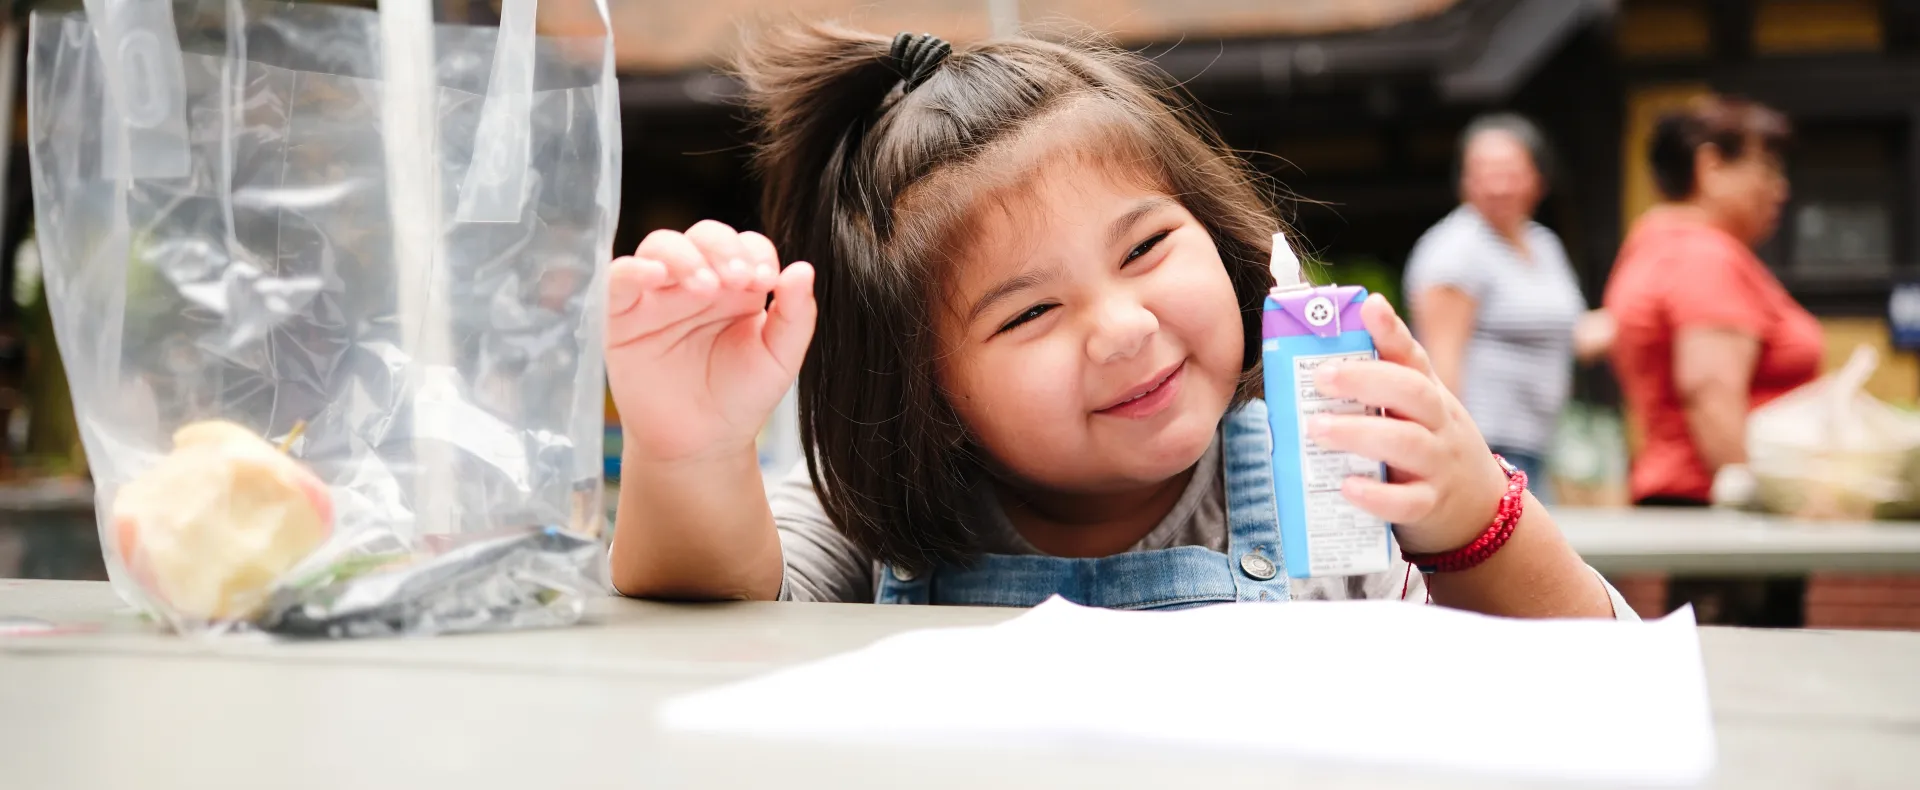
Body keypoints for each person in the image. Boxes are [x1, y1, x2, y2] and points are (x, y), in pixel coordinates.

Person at [603, 23, 1631, 620]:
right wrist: (688, 451)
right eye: (1032, 311)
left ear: (1224, 237)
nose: (1124, 327)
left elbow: (1607, 676)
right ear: (922, 386)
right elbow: (720, 616)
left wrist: (1474, 525)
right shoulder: (878, 517)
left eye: (1146, 249)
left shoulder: (1339, 467)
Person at [1604, 96, 1821, 625]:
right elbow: (1709, 392)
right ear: (1710, 166)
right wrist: (1753, 509)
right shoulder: (1704, 256)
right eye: (1766, 167)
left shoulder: (1653, 244)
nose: (1780, 188)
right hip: (1729, 517)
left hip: (1695, 505)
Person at [1404, 114, 1600, 503]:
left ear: (1538, 178)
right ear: (1464, 182)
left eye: (1509, 171)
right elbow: (1442, 362)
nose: (1496, 185)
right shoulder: (1455, 250)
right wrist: (1455, 455)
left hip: (1541, 442)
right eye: (1483, 172)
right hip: (1487, 446)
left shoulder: (1542, 243)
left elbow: (1571, 333)